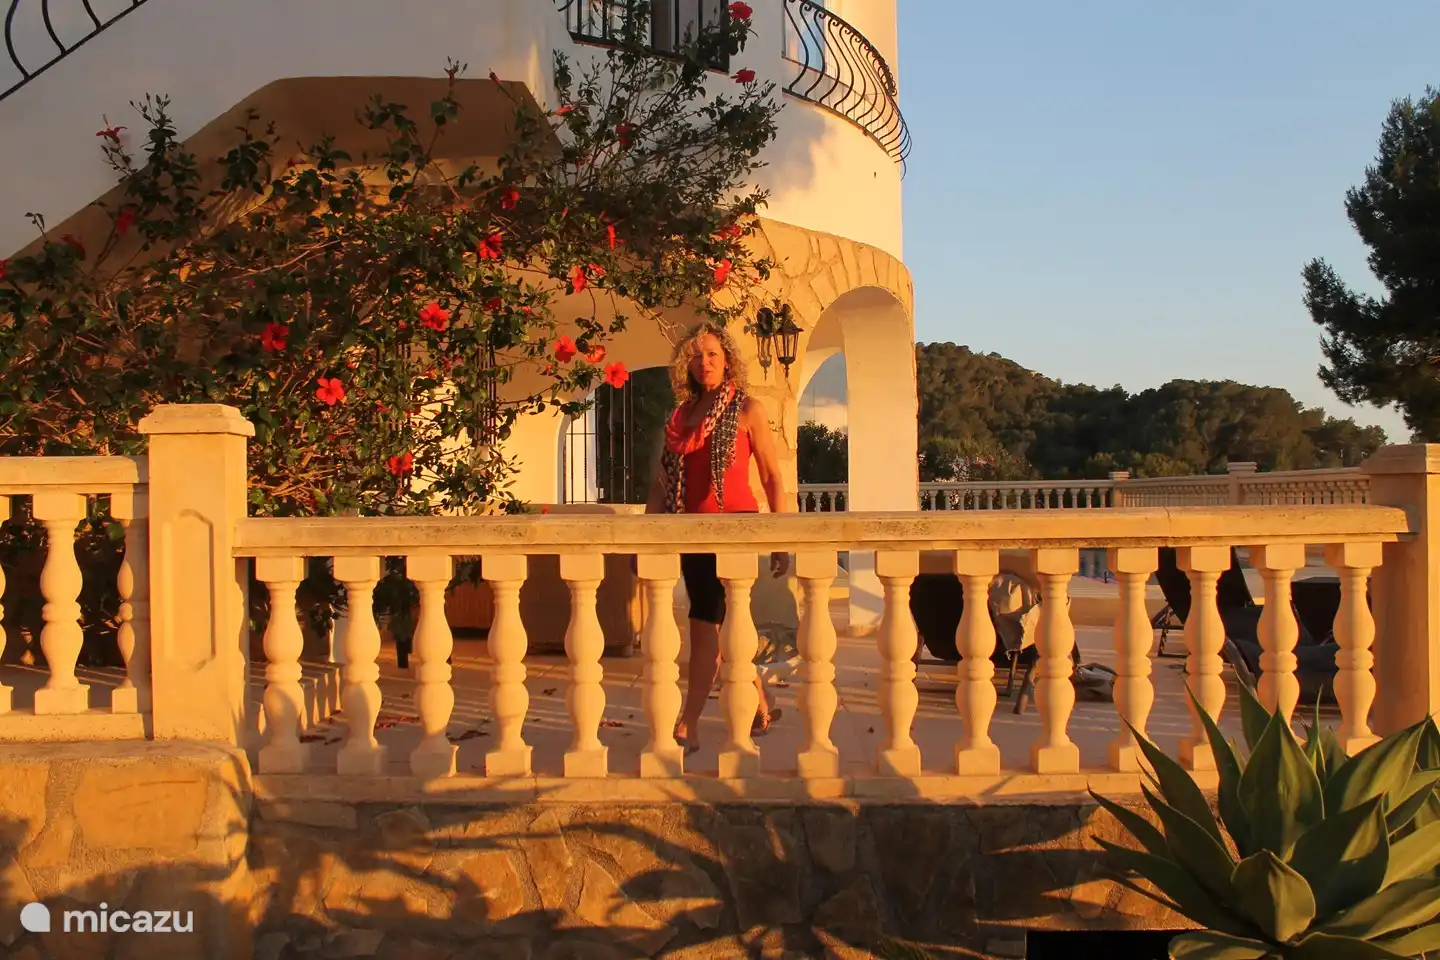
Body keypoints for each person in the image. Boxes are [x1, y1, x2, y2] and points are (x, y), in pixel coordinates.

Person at [645, 320, 789, 754]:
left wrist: (781, 538)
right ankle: (761, 704)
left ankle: (688, 724)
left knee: (707, 627)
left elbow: (770, 476)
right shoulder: (680, 417)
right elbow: (660, 482)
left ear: (727, 360)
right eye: (696, 355)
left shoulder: (748, 409)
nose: (703, 362)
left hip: (735, 531)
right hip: (691, 533)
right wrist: (647, 539)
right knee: (721, 629)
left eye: (712, 354)